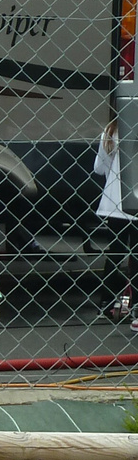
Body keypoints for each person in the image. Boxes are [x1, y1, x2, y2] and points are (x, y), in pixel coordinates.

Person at [93, 121, 138, 327]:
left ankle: (106, 302)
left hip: (115, 202)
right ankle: (136, 305)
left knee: (115, 252)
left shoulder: (111, 130)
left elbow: (99, 168)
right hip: (136, 202)